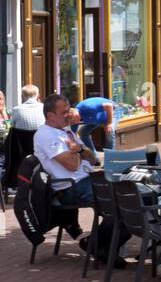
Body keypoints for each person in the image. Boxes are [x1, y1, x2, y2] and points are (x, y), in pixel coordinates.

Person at [34, 94, 127, 267]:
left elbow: (93, 159)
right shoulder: (45, 135)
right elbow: (71, 165)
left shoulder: (67, 131)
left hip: (88, 179)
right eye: (64, 112)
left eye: (69, 110)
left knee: (137, 196)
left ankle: (97, 244)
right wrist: (78, 152)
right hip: (71, 188)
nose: (69, 115)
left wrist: (80, 148)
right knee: (125, 202)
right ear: (50, 116)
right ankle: (99, 246)